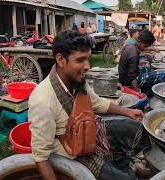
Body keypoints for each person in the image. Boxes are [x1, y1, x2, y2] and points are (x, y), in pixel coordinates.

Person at [29, 31, 151, 180]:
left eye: (88, 59)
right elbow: (40, 157)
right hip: (71, 153)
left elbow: (97, 103)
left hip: (90, 130)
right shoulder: (43, 100)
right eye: (80, 60)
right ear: (61, 60)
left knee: (137, 128)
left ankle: (124, 165)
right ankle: (125, 172)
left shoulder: (77, 80)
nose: (88, 66)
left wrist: (128, 112)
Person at [119, 30, 165, 96]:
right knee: (162, 74)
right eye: (145, 46)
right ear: (139, 41)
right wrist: (139, 93)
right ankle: (153, 94)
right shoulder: (134, 54)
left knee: (147, 64)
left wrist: (151, 50)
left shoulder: (132, 46)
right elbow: (132, 78)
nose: (145, 49)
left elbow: (143, 48)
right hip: (127, 82)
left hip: (125, 77)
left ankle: (147, 90)